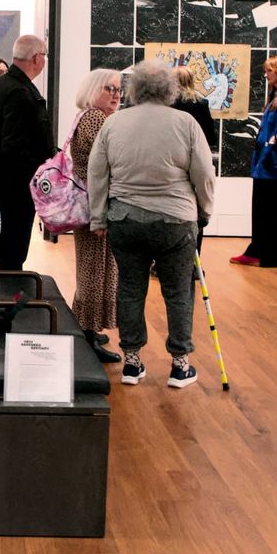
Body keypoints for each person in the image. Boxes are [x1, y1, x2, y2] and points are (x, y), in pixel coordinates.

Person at [87, 60, 215, 388]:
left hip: (125, 219)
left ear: (135, 89)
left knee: (130, 288)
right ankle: (180, 365)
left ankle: (132, 363)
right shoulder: (185, 122)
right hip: (176, 220)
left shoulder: (114, 123)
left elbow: (97, 173)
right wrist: (205, 210)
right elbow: (204, 173)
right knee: (178, 290)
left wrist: (98, 216)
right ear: (170, 90)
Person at [0, 35, 53, 270]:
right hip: (15, 193)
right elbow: (14, 147)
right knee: (12, 255)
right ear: (36, 58)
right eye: (45, 56)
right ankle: (9, 292)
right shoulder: (21, 93)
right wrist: (43, 166)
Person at [230, 55, 277, 267]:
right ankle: (263, 251)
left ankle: (271, 255)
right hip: (269, 163)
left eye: (269, 71)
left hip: (276, 164)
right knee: (268, 209)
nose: (265, 75)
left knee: (273, 210)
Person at [68, 68, 122, 364]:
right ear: (93, 90)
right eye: (109, 89)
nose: (116, 95)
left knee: (95, 268)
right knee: (93, 271)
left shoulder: (91, 117)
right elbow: (104, 167)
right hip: (95, 207)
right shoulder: (95, 119)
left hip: (93, 204)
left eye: (118, 89)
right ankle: (86, 335)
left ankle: (88, 327)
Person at [171, 65, 217, 253]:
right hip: (197, 160)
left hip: (175, 162)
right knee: (197, 211)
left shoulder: (168, 105)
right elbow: (211, 137)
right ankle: (194, 257)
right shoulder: (202, 103)